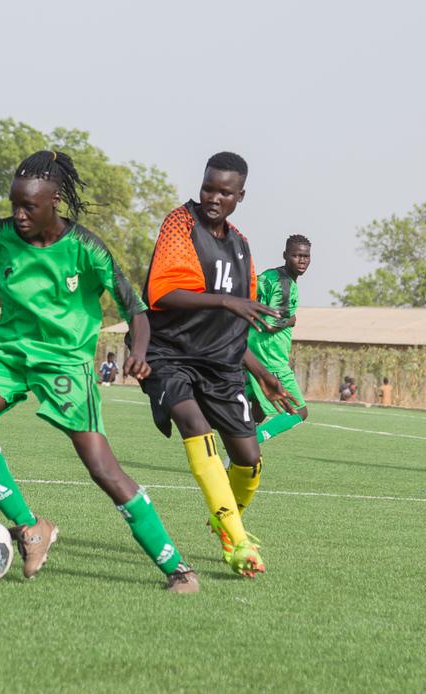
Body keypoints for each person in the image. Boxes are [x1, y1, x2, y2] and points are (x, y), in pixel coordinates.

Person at [0, 150, 199, 593]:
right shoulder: (0, 236)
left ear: (54, 200)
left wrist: (140, 352)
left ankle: (178, 568)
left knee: (102, 467)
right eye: (14, 204)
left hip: (65, 362)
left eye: (30, 206)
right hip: (9, 352)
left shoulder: (87, 249)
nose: (19, 215)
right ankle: (30, 527)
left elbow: (136, 309)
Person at [136, 151, 295, 578]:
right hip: (169, 356)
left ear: (240, 195)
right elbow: (162, 293)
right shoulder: (179, 225)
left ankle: (225, 522)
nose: (213, 197)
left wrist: (262, 374)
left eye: (224, 192)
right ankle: (237, 542)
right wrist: (227, 299)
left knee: (249, 460)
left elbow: (236, 324)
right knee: (196, 427)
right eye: (208, 187)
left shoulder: (241, 245)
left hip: (222, 366)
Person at [245, 235, 311, 442]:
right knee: (299, 411)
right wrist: (290, 320)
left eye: (305, 256)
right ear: (285, 256)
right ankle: (247, 446)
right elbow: (271, 324)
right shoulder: (285, 285)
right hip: (270, 357)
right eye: (296, 255)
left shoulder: (268, 276)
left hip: (251, 350)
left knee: (258, 411)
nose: (301, 260)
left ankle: (234, 456)